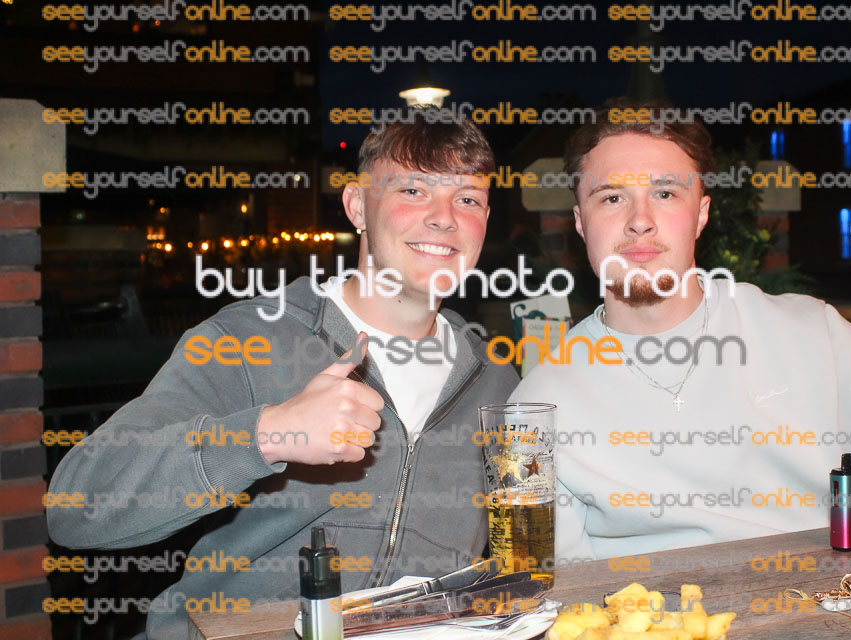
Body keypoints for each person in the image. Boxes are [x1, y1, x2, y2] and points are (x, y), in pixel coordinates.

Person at [47, 111, 518, 639]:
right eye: (413, 189)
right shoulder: (247, 340)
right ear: (357, 206)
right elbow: (76, 506)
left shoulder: (498, 383)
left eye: (468, 199)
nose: (444, 218)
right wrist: (267, 434)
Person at [508, 100, 851, 562]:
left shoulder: (811, 333)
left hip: (818, 598)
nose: (640, 219)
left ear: (701, 213)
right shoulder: (538, 406)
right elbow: (549, 582)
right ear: (579, 222)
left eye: (665, 193)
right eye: (612, 197)